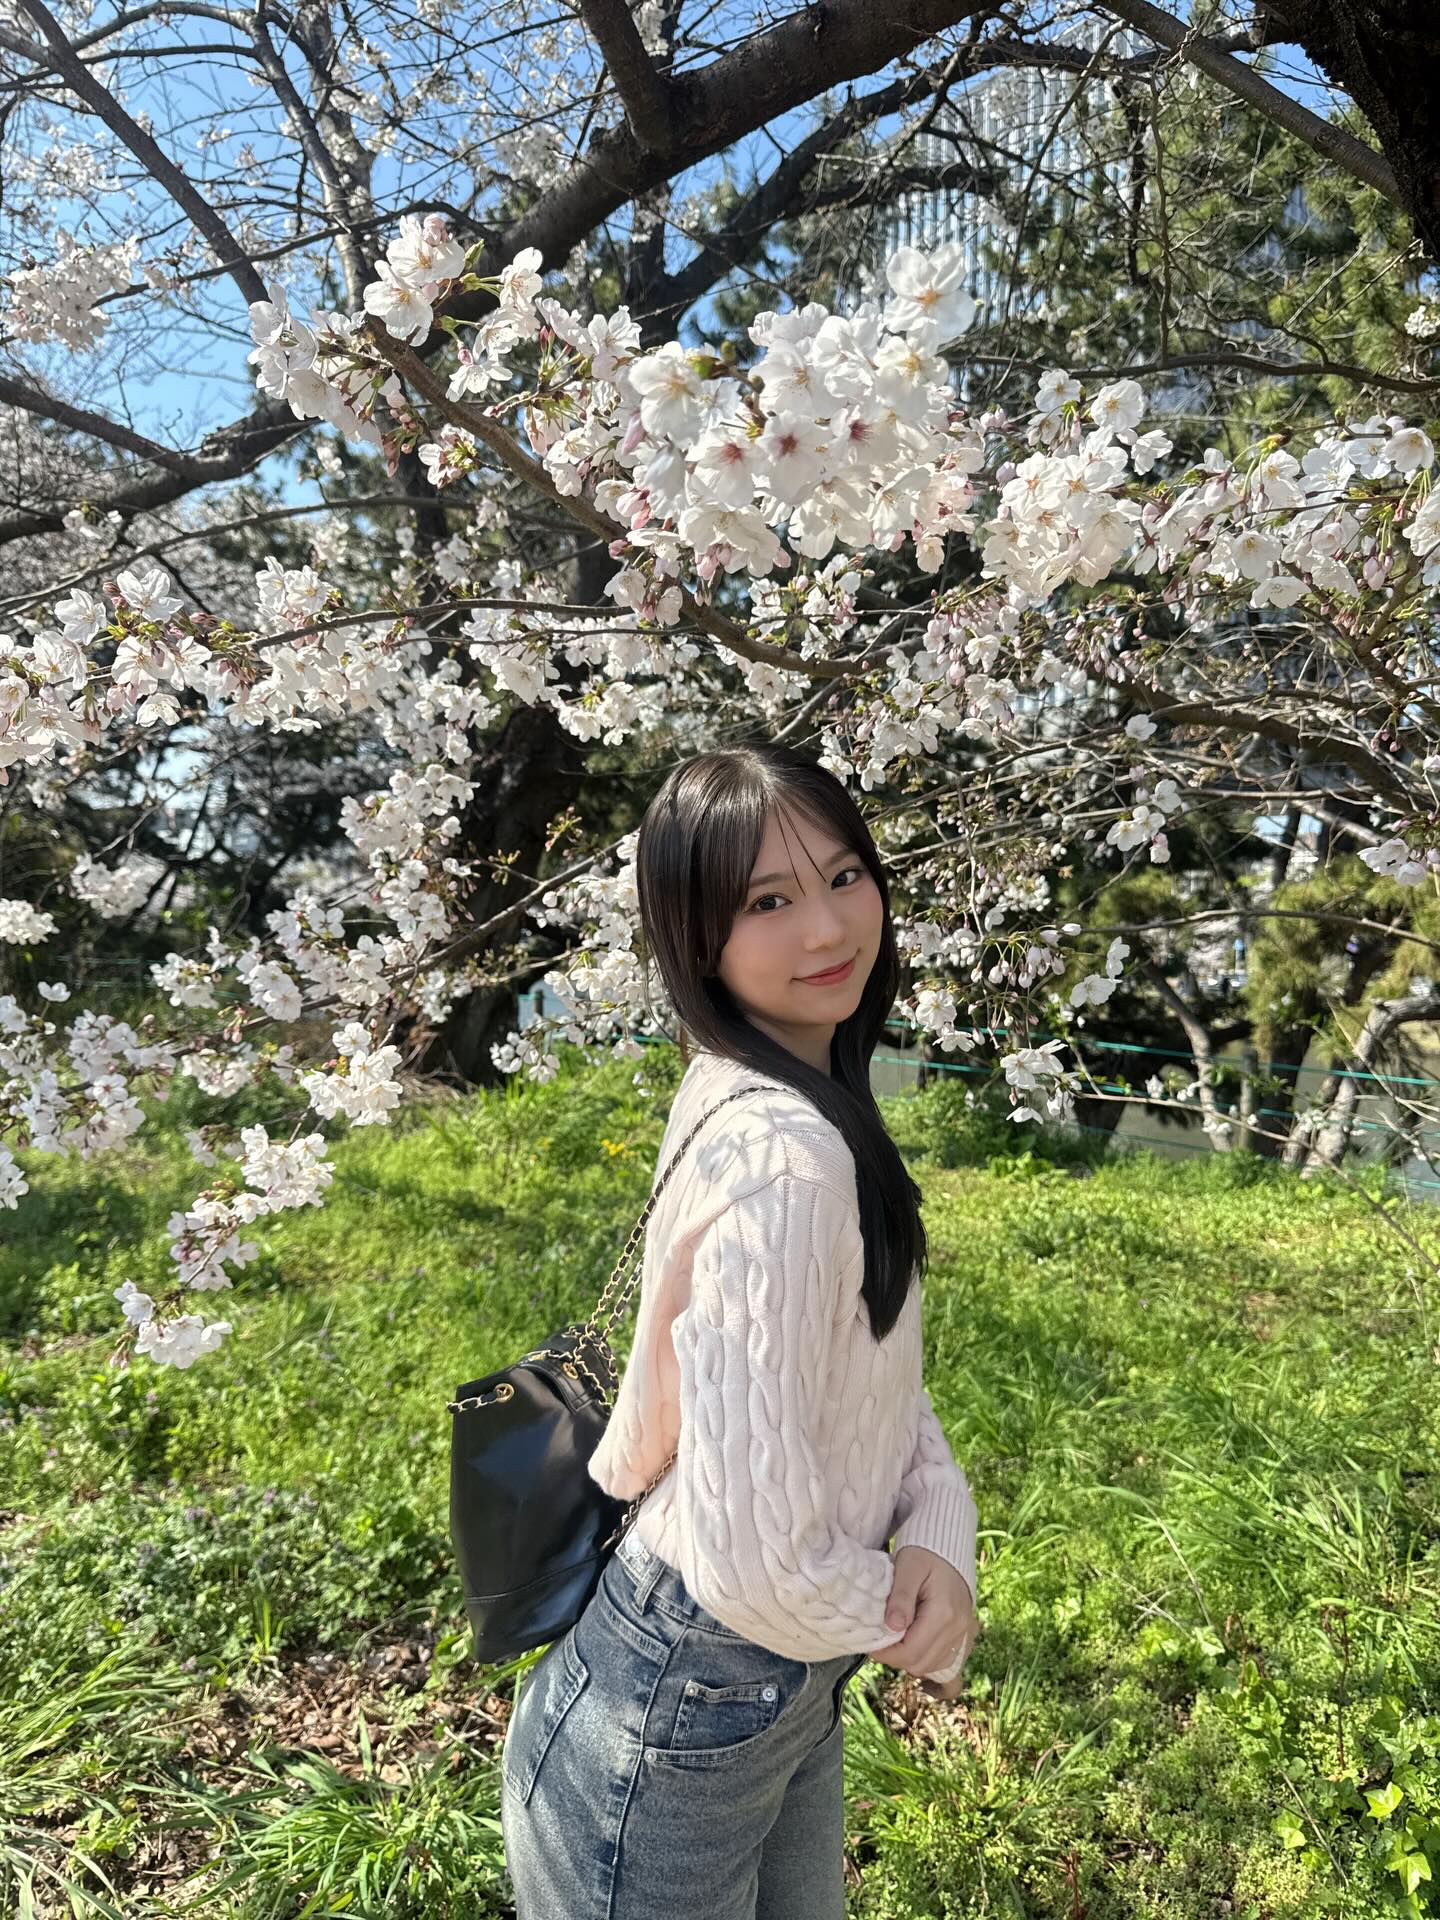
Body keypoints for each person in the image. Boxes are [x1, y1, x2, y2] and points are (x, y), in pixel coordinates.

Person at [500, 743, 981, 1919]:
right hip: (687, 1697)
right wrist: (914, 1617)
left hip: (760, 1681)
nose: (827, 927)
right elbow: (754, 1560)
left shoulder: (779, 1089)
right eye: (768, 901)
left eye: (845, 876)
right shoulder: (787, 1159)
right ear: (696, 934)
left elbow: (862, 1364)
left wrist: (938, 1519)